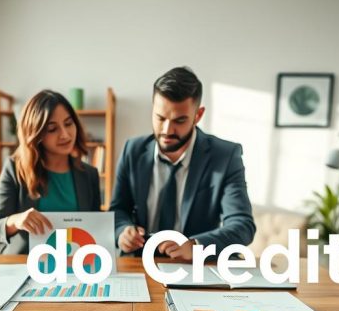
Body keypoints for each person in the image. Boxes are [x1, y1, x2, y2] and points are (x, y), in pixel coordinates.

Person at [109, 66, 255, 260]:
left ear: (198, 115)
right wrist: (122, 231)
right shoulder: (132, 150)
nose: (167, 130)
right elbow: (118, 210)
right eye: (160, 118)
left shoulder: (225, 156)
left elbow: (242, 225)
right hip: (140, 261)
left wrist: (196, 246)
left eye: (179, 121)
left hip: (195, 265)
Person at [0, 90, 102, 254]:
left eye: (68, 123)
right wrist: (16, 221)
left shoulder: (89, 174)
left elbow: (96, 229)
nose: (65, 135)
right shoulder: (15, 168)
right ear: (35, 134)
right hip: (26, 262)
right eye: (52, 129)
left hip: (74, 263)